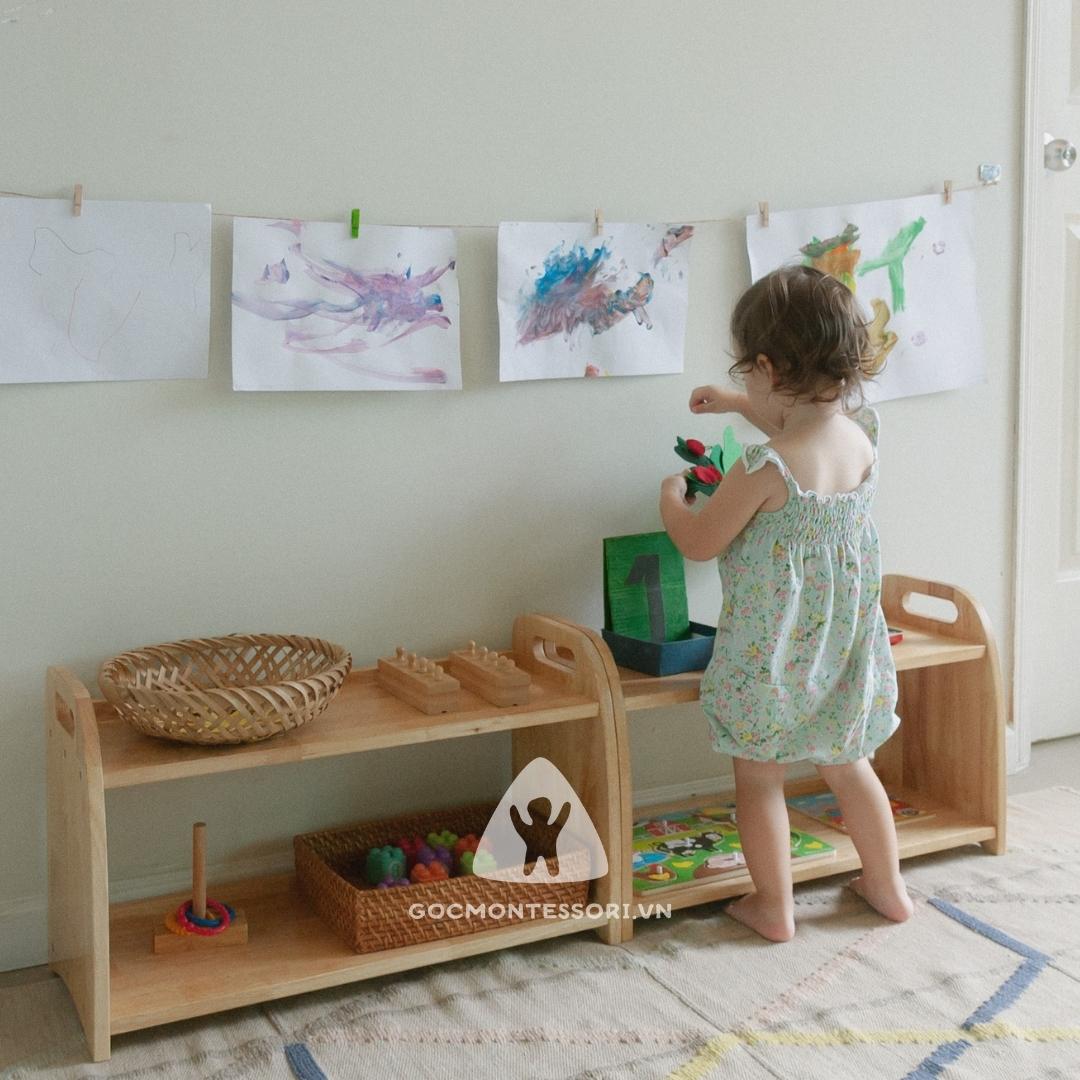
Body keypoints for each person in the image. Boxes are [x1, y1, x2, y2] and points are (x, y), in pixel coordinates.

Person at [659, 265, 912, 942]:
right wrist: (736, 403)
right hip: (843, 649)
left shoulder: (763, 468)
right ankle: (887, 887)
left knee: (759, 778)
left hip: (770, 656)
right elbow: (799, 416)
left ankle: (774, 907)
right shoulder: (860, 437)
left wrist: (672, 501)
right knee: (849, 767)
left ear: (768, 368)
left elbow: (700, 542)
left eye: (747, 374)